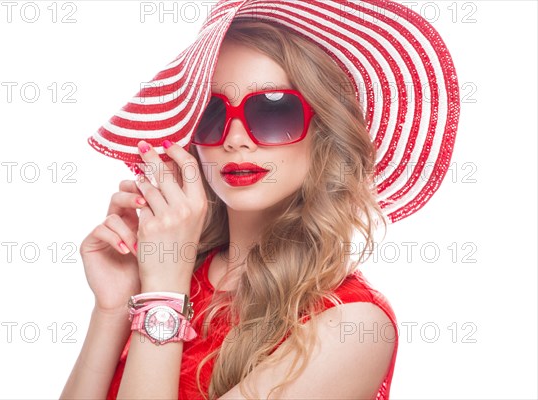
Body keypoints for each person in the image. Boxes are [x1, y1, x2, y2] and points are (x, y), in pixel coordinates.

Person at [61, 1, 459, 399]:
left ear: (324, 132)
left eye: (273, 109)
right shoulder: (175, 274)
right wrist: (114, 307)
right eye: (213, 112)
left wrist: (163, 292)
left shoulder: (352, 325)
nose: (235, 138)